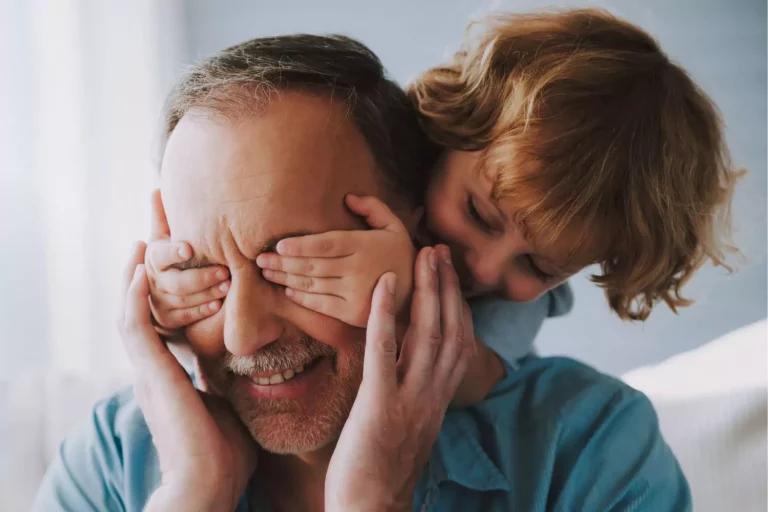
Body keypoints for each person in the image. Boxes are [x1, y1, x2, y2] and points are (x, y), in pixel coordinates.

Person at [34, 32, 690, 511]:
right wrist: (192, 493)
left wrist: (372, 502)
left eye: (292, 262)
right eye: (204, 267)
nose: (242, 336)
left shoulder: (590, 452)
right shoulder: (112, 461)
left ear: (408, 229)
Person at [147, 9, 739, 368]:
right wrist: (185, 289)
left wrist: (400, 303)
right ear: (451, 128)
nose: (482, 269)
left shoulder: (512, 320)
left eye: (538, 265)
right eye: (479, 215)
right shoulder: (374, 155)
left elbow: (466, 378)